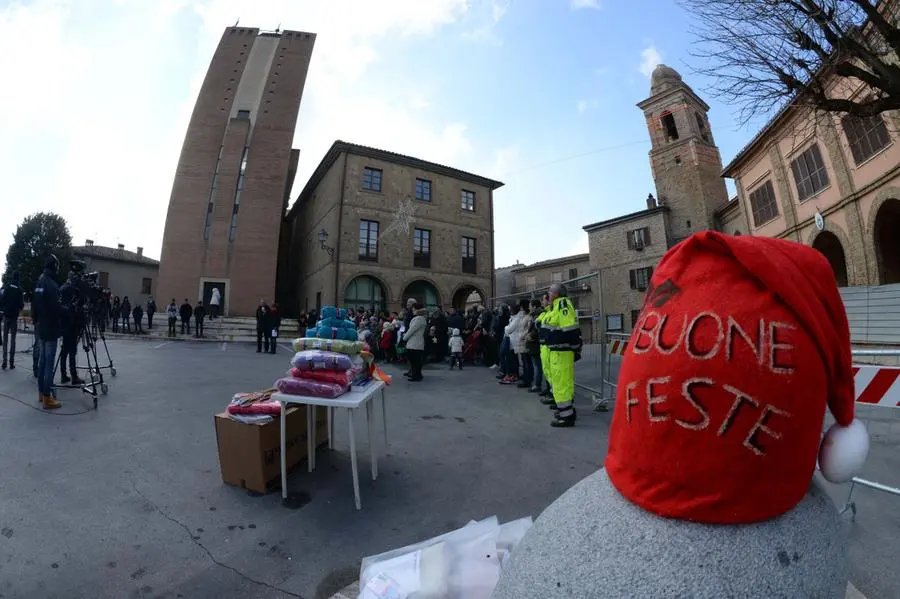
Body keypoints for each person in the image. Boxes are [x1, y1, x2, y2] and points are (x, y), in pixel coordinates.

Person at [543, 283, 580, 427]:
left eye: (549, 291)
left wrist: (575, 348)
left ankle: (567, 417)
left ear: (556, 294)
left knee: (561, 385)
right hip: (557, 352)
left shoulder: (563, 304)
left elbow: (569, 328)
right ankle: (566, 410)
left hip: (561, 352)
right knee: (561, 384)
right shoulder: (556, 306)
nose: (548, 294)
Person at [32, 255, 62, 409]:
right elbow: (56, 309)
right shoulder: (51, 284)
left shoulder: (39, 281)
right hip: (50, 329)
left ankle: (41, 393)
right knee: (49, 363)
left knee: (42, 361)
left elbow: (34, 305)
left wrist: (35, 320)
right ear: (55, 266)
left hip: (41, 327)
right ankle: (47, 397)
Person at [58, 272, 85, 385]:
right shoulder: (71, 290)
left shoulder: (62, 287)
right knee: (72, 350)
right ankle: (74, 376)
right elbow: (77, 304)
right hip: (72, 323)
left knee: (64, 350)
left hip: (64, 323)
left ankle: (63, 375)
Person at [1, 270, 24, 370]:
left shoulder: (7, 287)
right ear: (18, 278)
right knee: (13, 340)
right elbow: (21, 305)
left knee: (5, 339)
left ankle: (4, 361)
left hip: (6, 316)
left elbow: (2, 300)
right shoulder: (19, 290)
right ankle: (11, 362)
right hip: (14, 317)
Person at [403, 302, 428, 382]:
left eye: (413, 309)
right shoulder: (419, 318)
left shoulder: (419, 318)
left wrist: (404, 338)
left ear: (417, 309)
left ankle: (417, 375)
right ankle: (416, 374)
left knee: (415, 360)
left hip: (415, 342)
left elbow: (412, 330)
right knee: (414, 359)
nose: (412, 310)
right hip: (414, 342)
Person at [524, 298, 544, 393]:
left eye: (530, 306)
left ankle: (537, 385)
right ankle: (537, 384)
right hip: (533, 344)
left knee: (538, 366)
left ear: (534, 307)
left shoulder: (538, 315)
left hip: (536, 344)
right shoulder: (533, 315)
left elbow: (536, 329)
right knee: (536, 365)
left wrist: (530, 335)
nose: (529, 308)